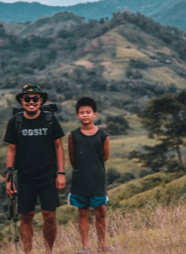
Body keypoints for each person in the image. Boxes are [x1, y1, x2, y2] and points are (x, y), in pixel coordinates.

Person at [4, 84, 66, 254]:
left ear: (41, 100)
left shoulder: (50, 119)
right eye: (27, 99)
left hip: (48, 175)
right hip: (25, 176)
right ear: (22, 101)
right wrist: (9, 179)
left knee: (50, 216)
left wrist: (61, 173)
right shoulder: (15, 122)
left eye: (35, 98)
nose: (31, 102)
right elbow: (11, 150)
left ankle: (49, 250)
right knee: (26, 216)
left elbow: (59, 147)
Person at [68, 97, 112, 254]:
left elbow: (104, 157)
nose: (85, 115)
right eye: (81, 112)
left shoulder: (102, 136)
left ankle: (102, 244)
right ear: (77, 115)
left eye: (88, 112)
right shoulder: (73, 136)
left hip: (97, 179)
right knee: (83, 212)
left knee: (100, 210)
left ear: (95, 114)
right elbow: (73, 159)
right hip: (80, 180)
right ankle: (85, 246)